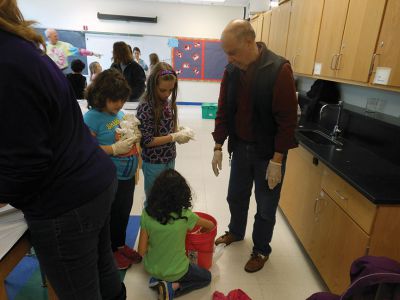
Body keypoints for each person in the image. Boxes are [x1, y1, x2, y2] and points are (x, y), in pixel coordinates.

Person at [0, 1, 127, 299]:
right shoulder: (22, 48)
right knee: (102, 269)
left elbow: (27, 163)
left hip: (67, 200)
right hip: (93, 182)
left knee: (81, 287)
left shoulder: (7, 60)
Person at [212, 19, 298, 273]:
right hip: (240, 148)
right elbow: (224, 110)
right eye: (226, 53)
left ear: (250, 42)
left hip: (268, 154)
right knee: (235, 195)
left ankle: (261, 250)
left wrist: (278, 160)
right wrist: (218, 144)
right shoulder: (232, 71)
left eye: (232, 52)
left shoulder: (278, 69)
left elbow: (287, 120)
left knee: (266, 205)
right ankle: (236, 231)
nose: (228, 59)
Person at [83, 69, 142, 270]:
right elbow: (86, 149)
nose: (119, 105)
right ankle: (109, 252)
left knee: (123, 212)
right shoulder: (92, 117)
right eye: (114, 100)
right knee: (109, 216)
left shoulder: (120, 113)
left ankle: (118, 245)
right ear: (101, 97)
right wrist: (113, 149)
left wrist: (134, 137)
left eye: (122, 100)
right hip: (108, 178)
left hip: (126, 176)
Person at [138, 169, 214, 300]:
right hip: (177, 271)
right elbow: (211, 225)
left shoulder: (147, 214)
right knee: (207, 278)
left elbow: (141, 251)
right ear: (182, 194)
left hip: (151, 268)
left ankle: (158, 282)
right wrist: (200, 231)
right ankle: (173, 288)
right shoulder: (185, 216)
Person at [136, 62, 194, 199]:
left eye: (171, 90)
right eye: (163, 90)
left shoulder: (167, 103)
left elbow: (165, 128)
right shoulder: (146, 107)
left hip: (169, 157)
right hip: (153, 162)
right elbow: (147, 141)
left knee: (167, 198)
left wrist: (179, 131)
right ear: (152, 85)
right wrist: (173, 137)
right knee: (153, 200)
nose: (167, 94)